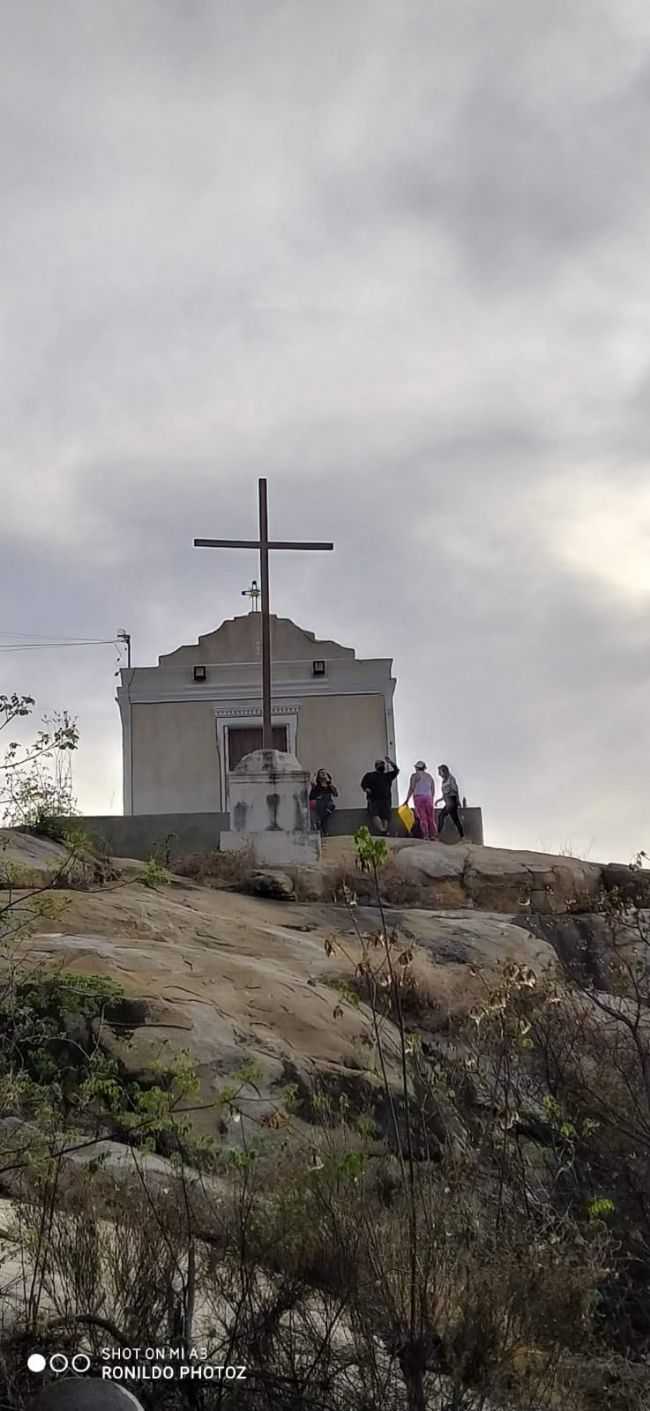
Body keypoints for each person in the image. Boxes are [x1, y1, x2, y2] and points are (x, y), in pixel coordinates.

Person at [360, 756, 399, 835]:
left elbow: (397, 770)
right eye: (380, 764)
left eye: (382, 765)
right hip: (374, 799)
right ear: (376, 766)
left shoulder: (387, 776)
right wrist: (366, 789)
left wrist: (390, 762)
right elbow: (363, 784)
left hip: (386, 799)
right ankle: (382, 830)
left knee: (385, 816)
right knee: (374, 814)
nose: (382, 766)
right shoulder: (370, 775)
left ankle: (384, 831)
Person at [405, 761, 437, 841]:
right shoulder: (429, 776)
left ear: (416, 768)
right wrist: (431, 798)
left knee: (423, 818)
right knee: (431, 817)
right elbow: (433, 789)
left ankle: (426, 835)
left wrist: (407, 800)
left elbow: (411, 788)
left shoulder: (414, 776)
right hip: (428, 797)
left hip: (418, 797)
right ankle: (433, 835)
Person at [437, 763, 464, 838]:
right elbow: (444, 795)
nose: (439, 774)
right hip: (448, 801)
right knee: (455, 819)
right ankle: (462, 836)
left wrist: (458, 801)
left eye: (440, 772)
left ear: (444, 771)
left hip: (452, 800)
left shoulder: (451, 779)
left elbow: (455, 790)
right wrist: (438, 800)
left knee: (441, 815)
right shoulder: (443, 782)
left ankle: (438, 835)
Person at [309, 769, 338, 836]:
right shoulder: (316, 786)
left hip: (327, 804)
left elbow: (336, 794)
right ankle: (325, 831)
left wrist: (330, 783)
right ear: (319, 776)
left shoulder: (329, 786)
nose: (323, 774)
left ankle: (320, 823)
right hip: (320, 803)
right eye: (321, 773)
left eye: (325, 773)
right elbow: (312, 797)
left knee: (330, 805)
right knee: (324, 809)